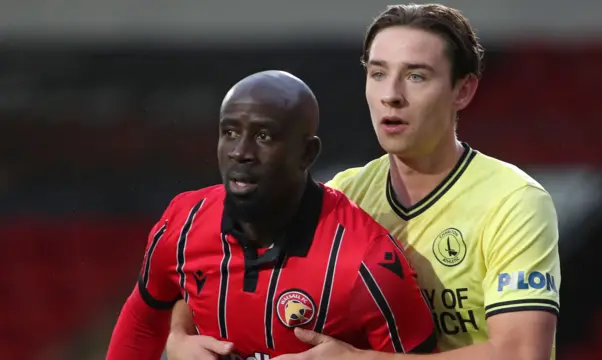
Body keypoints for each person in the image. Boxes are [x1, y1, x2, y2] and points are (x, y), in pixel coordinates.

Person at [166, 3, 561, 360]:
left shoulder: (513, 201)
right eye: (378, 73)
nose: (391, 95)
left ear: (463, 90)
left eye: (416, 76)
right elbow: (223, 254)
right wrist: (179, 333)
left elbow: (523, 354)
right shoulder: (344, 193)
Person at [105, 70, 438, 360]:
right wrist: (176, 338)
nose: (240, 152)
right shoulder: (183, 223)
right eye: (230, 132)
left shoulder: (366, 261)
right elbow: (143, 320)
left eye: (263, 136)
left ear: (306, 153)